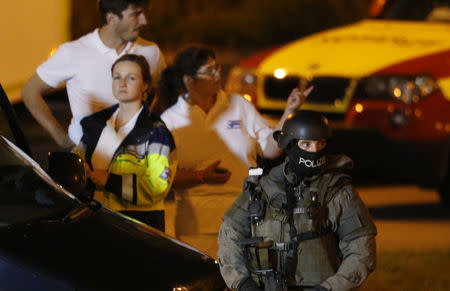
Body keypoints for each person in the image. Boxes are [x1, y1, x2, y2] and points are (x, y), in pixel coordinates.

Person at [159, 47, 306, 257]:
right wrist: (201, 176)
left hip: (245, 220)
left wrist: (289, 112)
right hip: (196, 230)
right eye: (209, 71)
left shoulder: (238, 105)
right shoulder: (170, 120)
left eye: (217, 68)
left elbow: (270, 148)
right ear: (189, 81)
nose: (218, 75)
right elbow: (165, 177)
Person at [217, 110, 377, 291]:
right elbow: (230, 236)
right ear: (290, 145)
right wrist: (243, 284)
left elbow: (362, 251)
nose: (314, 151)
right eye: (306, 144)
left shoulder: (337, 191)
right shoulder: (263, 188)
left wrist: (329, 289)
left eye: (320, 144)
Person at [22, 0, 165, 149]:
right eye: (136, 14)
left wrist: (151, 127)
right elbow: (30, 91)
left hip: (134, 160)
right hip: (88, 163)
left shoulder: (150, 52)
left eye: (144, 13)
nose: (144, 21)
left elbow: (161, 92)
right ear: (111, 18)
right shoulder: (73, 52)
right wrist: (63, 140)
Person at [73, 54, 176, 232]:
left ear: (145, 85)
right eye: (117, 77)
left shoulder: (156, 132)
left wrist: (109, 180)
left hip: (140, 230)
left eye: (131, 78)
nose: (122, 83)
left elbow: (157, 186)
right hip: (95, 222)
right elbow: (74, 164)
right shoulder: (94, 125)